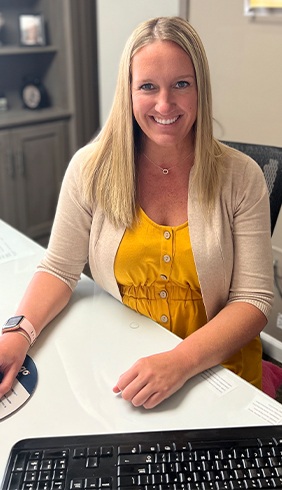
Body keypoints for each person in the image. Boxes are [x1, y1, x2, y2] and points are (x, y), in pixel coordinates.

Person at [0, 16, 274, 409]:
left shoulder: (241, 176)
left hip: (220, 372)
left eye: (182, 84)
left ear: (200, 89)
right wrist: (18, 333)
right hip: (125, 362)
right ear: (128, 92)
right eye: (148, 86)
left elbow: (253, 299)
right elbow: (60, 269)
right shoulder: (90, 169)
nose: (165, 104)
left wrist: (179, 362)